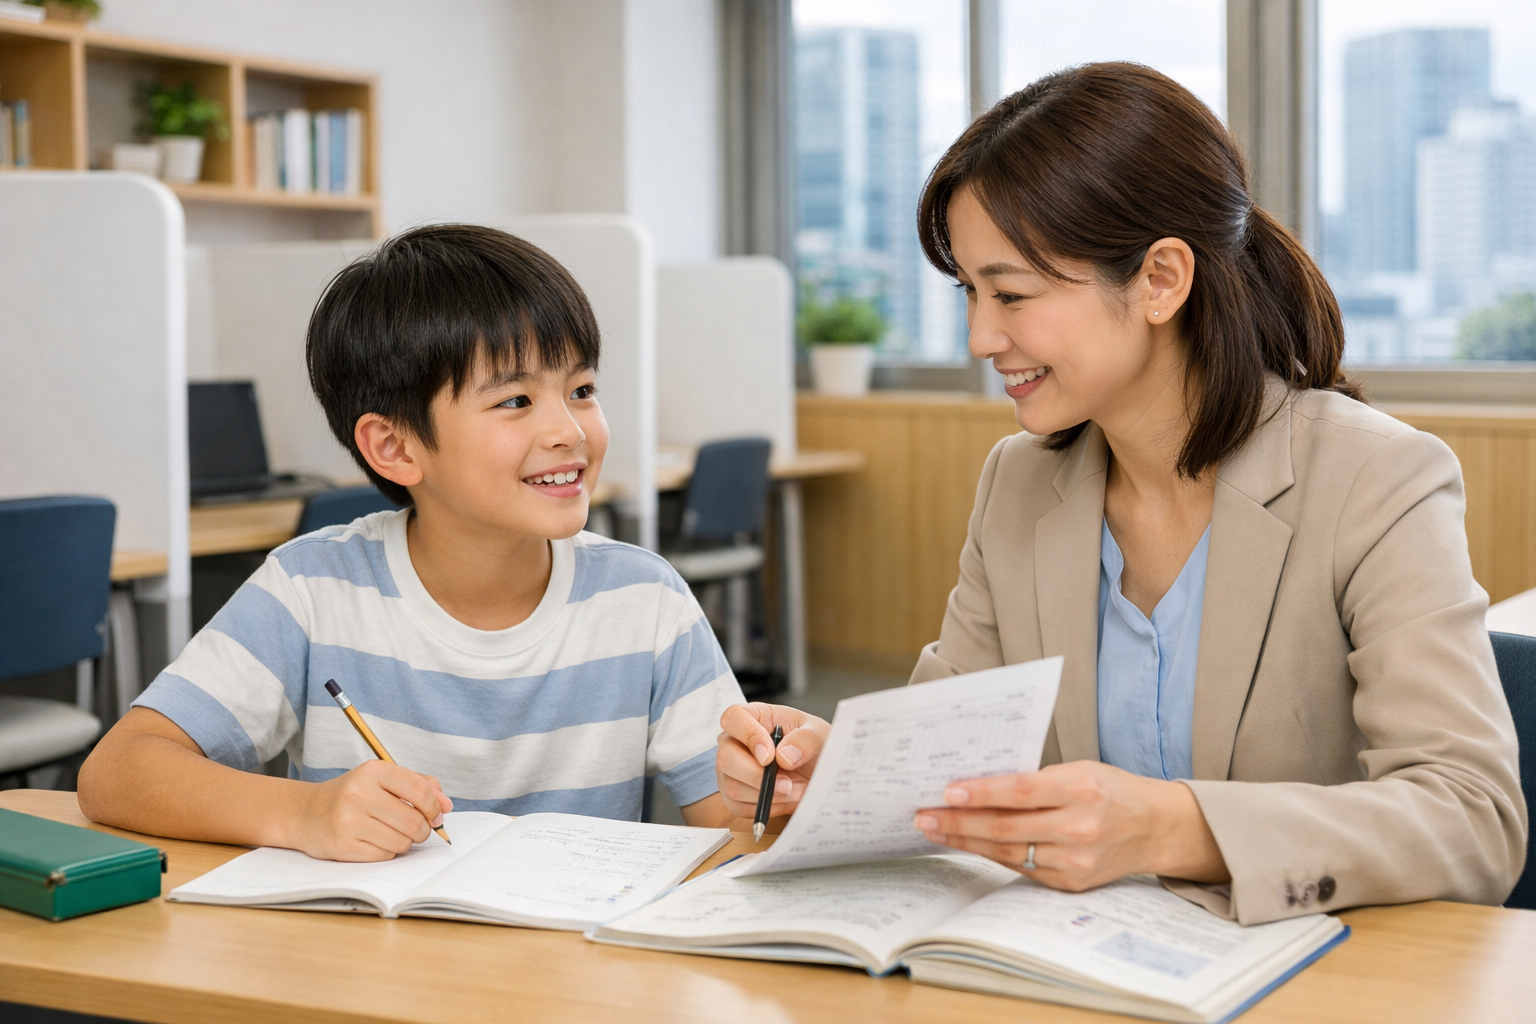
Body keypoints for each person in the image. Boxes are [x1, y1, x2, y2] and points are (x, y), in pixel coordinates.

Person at [717, 63, 1526, 924]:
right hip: (1075, 970)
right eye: (970, 293)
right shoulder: (1019, 483)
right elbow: (951, 750)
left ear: (1160, 280)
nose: (982, 336)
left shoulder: (1374, 478)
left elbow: (1472, 818)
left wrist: (1173, 827)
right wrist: (834, 775)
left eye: (1013, 294)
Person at [80, 224, 744, 860]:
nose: (569, 429)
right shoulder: (312, 589)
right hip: (367, 963)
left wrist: (789, 787)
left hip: (572, 965)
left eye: (581, 389)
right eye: (515, 400)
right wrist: (302, 813)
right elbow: (118, 770)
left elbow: (737, 828)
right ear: (394, 447)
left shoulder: (645, 599)